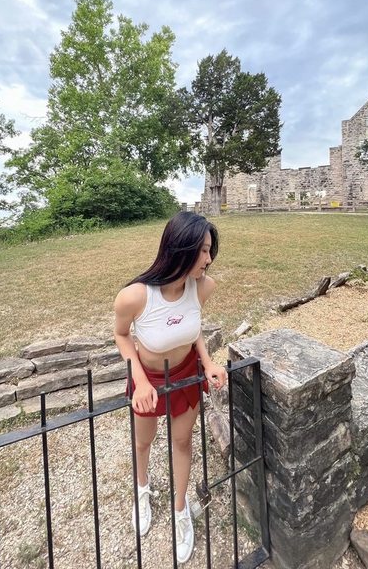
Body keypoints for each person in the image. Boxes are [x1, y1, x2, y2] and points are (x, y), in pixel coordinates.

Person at [114, 211, 227, 564]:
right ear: (180, 248)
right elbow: (122, 335)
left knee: (182, 441)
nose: (209, 259)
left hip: (185, 374)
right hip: (147, 379)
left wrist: (207, 362)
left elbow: (194, 329)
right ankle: (142, 490)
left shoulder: (203, 287)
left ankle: (180, 510)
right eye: (203, 250)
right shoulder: (134, 297)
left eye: (209, 250)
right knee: (143, 441)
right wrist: (140, 381)